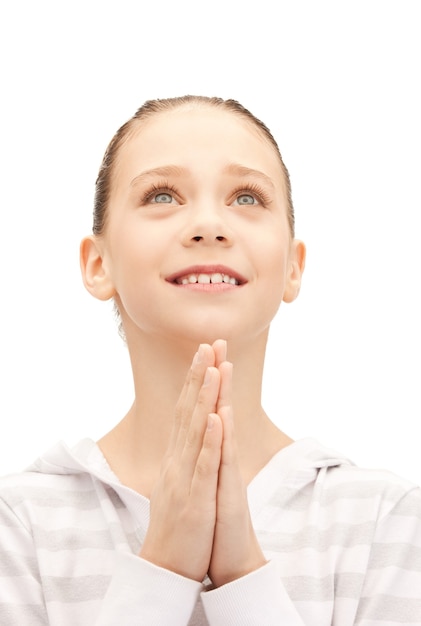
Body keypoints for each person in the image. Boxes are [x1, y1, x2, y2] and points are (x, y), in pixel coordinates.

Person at [0, 95, 420, 626]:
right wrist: (163, 569)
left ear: (293, 266)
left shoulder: (387, 522)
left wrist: (243, 577)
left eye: (246, 198)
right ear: (98, 263)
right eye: (161, 194)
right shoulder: (18, 527)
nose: (208, 225)